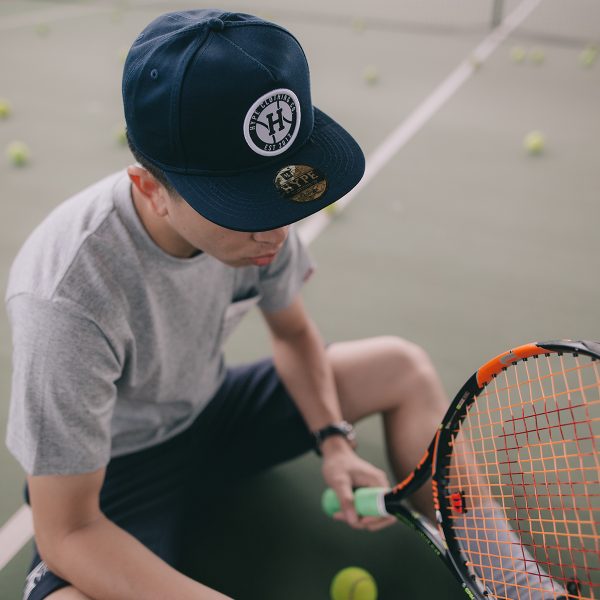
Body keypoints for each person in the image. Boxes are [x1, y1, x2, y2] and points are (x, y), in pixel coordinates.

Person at [6, 9, 450, 600]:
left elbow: (292, 334)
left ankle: (497, 561)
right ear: (151, 189)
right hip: (114, 469)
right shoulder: (67, 296)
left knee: (400, 366)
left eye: (281, 190)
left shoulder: (265, 227)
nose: (276, 232)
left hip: (211, 413)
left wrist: (333, 439)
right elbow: (68, 531)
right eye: (242, 206)